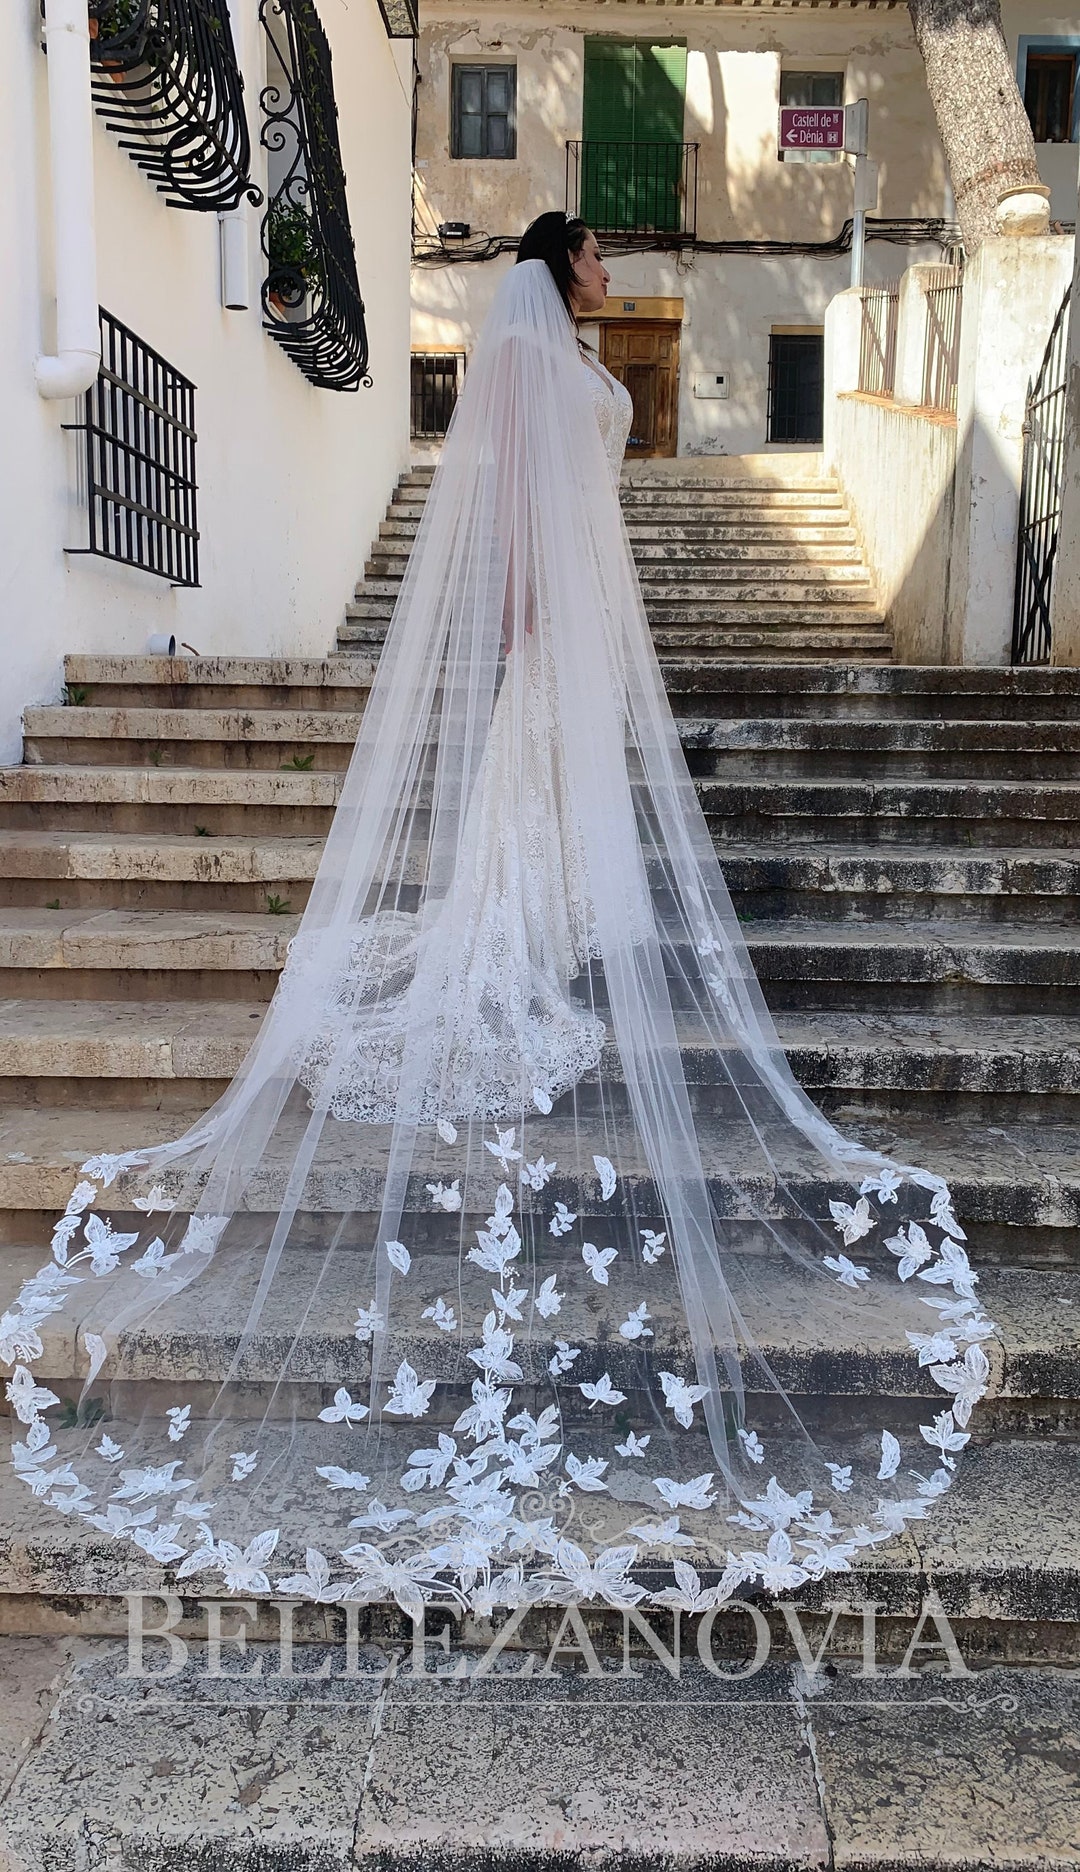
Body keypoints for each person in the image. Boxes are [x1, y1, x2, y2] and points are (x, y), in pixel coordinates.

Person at [2, 213, 994, 1612]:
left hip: (595, 607)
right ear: (559, 262)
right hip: (556, 609)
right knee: (531, 777)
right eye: (591, 253)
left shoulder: (568, 347)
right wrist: (532, 614)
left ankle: (542, 914)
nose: (603, 268)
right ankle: (514, 928)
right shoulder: (529, 359)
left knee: (558, 784)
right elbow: (525, 498)